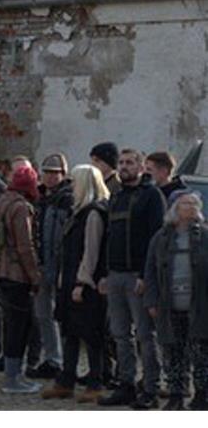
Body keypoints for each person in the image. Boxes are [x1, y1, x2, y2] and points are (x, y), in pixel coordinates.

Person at [99, 148, 166, 409]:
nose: (124, 166)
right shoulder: (115, 196)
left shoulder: (151, 196)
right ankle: (125, 383)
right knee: (119, 334)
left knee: (145, 336)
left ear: (141, 167)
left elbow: (156, 239)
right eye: (122, 163)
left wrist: (145, 275)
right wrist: (105, 272)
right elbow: (109, 238)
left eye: (130, 163)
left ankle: (150, 386)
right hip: (115, 275)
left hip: (138, 277)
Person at [41, 165, 111, 404]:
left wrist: (82, 282)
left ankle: (95, 381)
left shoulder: (93, 213)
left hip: (84, 284)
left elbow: (91, 251)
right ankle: (66, 380)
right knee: (70, 331)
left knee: (91, 335)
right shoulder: (78, 212)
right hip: (69, 280)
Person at [144, 190, 208, 410]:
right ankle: (175, 395)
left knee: (200, 353)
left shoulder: (205, 237)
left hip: (199, 306)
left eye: (194, 203)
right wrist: (151, 301)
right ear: (174, 209)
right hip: (168, 305)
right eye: (186, 203)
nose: (191, 207)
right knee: (172, 352)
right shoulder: (160, 238)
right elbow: (150, 272)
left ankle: (202, 395)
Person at [0, 165, 43, 394]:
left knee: (11, 324)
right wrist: (35, 276)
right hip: (16, 274)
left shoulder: (1, 202)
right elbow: (25, 246)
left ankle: (13, 375)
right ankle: (14, 378)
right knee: (19, 327)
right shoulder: (21, 208)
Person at [28, 153, 72, 380]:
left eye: (55, 172)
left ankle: (65, 360)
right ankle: (52, 358)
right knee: (43, 314)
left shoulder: (68, 199)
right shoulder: (41, 198)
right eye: (47, 172)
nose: (50, 176)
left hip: (61, 267)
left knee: (62, 316)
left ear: (63, 174)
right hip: (43, 265)